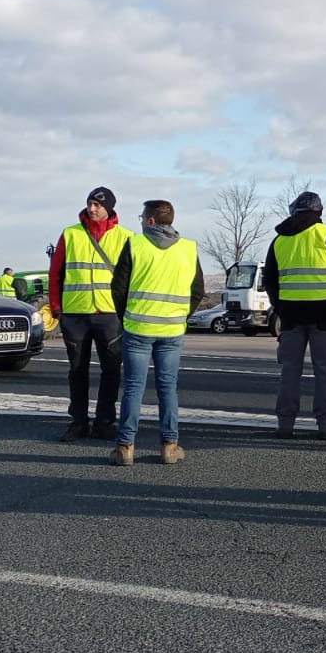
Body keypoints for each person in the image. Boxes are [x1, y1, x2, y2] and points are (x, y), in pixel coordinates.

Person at [111, 199, 204, 467]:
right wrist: (181, 316)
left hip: (138, 327)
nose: (140, 221)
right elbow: (197, 290)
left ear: (150, 221)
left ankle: (125, 448)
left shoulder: (135, 244)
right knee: (168, 388)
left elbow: (118, 287)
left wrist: (125, 316)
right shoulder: (188, 249)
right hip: (172, 329)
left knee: (133, 388)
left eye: (142, 217)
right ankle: (169, 446)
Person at [262, 191, 326, 439]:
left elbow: (269, 278)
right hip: (324, 315)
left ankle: (285, 424)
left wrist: (279, 306)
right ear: (319, 212)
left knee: (289, 371)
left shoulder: (279, 240)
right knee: (325, 372)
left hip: (291, 315)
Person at [51, 187, 132, 442]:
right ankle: (78, 422)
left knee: (111, 370)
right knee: (77, 370)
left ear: (109, 208)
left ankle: (105, 422)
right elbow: (56, 272)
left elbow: (132, 278)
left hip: (110, 314)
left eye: (98, 204)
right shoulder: (70, 234)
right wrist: (56, 307)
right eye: (89, 203)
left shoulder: (126, 237)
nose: (92, 208)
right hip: (75, 313)